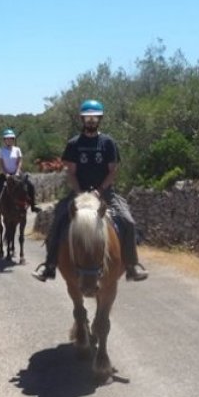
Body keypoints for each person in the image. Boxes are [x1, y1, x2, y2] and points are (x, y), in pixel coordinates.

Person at [32, 99, 148, 282]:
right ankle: (50, 265)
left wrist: (100, 191)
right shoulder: (74, 144)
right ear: (82, 120)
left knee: (128, 221)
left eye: (94, 118)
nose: (91, 121)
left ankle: (132, 265)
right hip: (79, 193)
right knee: (58, 220)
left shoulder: (108, 143)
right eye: (87, 118)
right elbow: (71, 172)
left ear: (100, 119)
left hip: (106, 193)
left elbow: (112, 172)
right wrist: (79, 192)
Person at [0, 128, 41, 214]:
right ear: (4, 140)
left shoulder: (17, 149)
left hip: (17, 173)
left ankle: (33, 205)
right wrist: (6, 174)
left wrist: (17, 172)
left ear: (13, 140)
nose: (9, 140)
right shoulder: (1, 150)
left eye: (11, 139)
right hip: (5, 174)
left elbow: (19, 161)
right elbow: (1, 164)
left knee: (30, 185)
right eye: (7, 139)